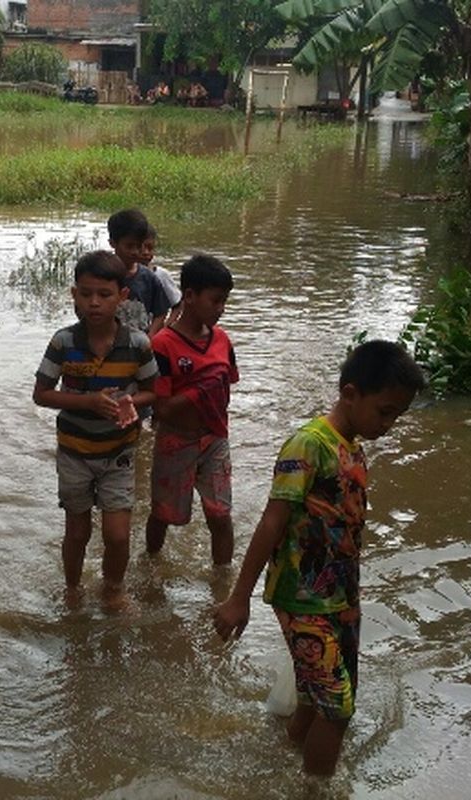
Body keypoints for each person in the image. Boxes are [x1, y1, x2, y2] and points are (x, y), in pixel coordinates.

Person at [212, 340, 426, 776]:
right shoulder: (308, 446)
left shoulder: (352, 446)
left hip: (341, 595)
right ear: (350, 394)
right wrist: (239, 598)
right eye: (383, 412)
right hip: (302, 598)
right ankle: (315, 788)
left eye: (396, 417)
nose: (387, 425)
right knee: (339, 708)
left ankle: (287, 760)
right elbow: (272, 523)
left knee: (319, 694)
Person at [33, 251, 158, 610]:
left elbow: (154, 390)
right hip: (74, 451)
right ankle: (73, 589)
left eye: (104, 294)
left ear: (122, 296)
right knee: (77, 531)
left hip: (119, 451)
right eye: (86, 294)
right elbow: (41, 394)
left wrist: (132, 403)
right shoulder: (64, 342)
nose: (94, 302)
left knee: (117, 536)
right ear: (74, 294)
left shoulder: (137, 344)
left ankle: (113, 589)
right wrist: (88, 402)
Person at [145, 254, 237, 565]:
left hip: (215, 439)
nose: (220, 309)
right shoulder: (163, 345)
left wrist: (207, 390)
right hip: (175, 440)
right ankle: (151, 564)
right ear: (189, 296)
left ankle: (222, 583)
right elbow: (161, 409)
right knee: (163, 514)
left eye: (224, 302)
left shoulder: (223, 341)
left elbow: (226, 389)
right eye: (215, 301)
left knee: (220, 515)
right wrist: (200, 390)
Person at [107, 209, 171, 337]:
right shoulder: (102, 275)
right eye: (129, 246)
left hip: (139, 345)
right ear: (113, 243)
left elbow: (161, 312)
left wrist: (150, 337)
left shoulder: (149, 278)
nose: (135, 252)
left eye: (139, 246)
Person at [139, 224, 182, 327]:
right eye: (141, 248)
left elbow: (178, 304)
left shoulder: (161, 275)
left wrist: (166, 327)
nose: (146, 252)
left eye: (150, 248)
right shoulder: (121, 274)